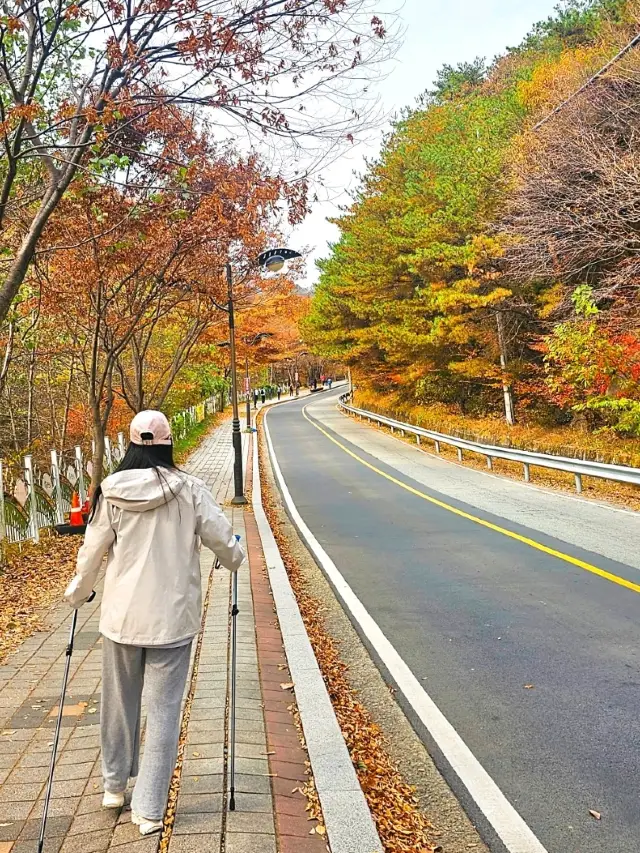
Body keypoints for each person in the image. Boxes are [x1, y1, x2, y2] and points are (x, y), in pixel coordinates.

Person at [64, 411, 244, 836]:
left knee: (118, 703)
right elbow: (223, 538)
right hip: (172, 621)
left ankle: (112, 786)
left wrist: (78, 593)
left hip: (122, 618)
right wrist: (233, 559)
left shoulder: (110, 492)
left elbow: (91, 553)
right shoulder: (191, 490)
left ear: (131, 444)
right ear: (166, 443)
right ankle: (148, 809)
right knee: (163, 713)